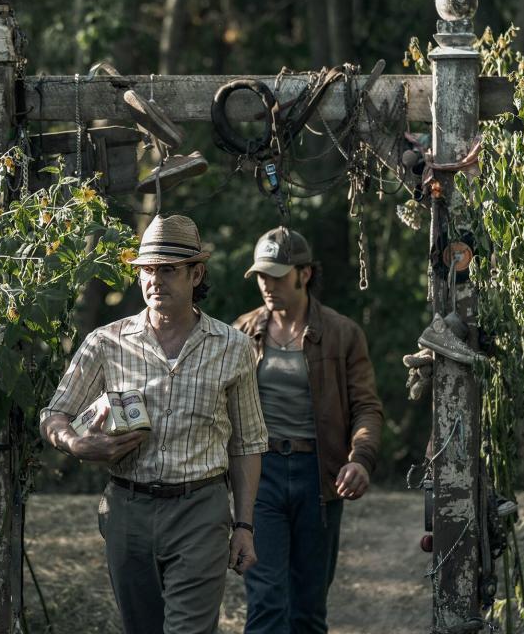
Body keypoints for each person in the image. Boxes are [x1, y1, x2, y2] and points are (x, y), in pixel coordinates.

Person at [40, 215, 269, 634]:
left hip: (201, 509)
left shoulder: (232, 346)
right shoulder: (106, 342)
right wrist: (77, 445)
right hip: (128, 509)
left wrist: (244, 527)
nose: (155, 280)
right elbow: (54, 415)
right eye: (147, 269)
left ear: (196, 273)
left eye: (168, 269)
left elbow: (248, 443)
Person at [233, 226, 383, 634]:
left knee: (308, 607)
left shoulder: (342, 333)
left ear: (305, 274)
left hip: (318, 477)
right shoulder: (242, 333)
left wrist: (361, 459)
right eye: (261, 275)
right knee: (265, 601)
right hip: (258, 476)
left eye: (278, 275)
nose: (267, 284)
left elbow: (367, 407)